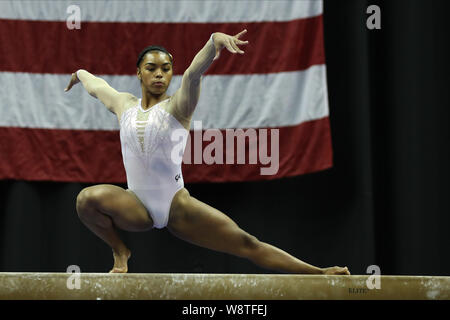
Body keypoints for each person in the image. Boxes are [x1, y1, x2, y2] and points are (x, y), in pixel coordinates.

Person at [65, 29, 350, 275]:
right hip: (135, 206)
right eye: (152, 68)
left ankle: (318, 272)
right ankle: (121, 251)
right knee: (86, 200)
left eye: (166, 68)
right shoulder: (124, 104)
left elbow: (193, 74)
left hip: (177, 206)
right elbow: (97, 87)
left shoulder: (178, 107)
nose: (159, 74)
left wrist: (213, 42)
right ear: (139, 72)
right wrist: (79, 73)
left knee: (247, 243)